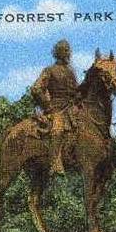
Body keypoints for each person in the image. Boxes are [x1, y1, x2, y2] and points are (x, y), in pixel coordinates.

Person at [30, 39, 79, 175]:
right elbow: (36, 89)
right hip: (56, 108)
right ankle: (55, 163)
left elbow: (76, 91)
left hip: (71, 107)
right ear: (58, 53)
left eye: (69, 51)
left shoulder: (71, 72)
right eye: (65, 51)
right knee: (57, 129)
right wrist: (47, 106)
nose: (68, 54)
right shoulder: (49, 70)